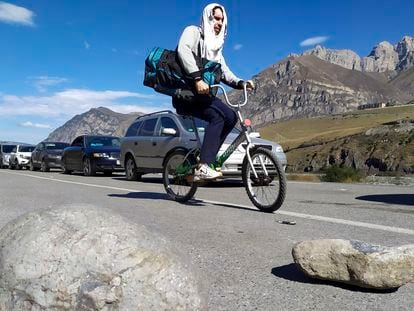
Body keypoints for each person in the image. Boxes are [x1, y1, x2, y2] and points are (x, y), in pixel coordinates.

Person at [173, 3, 254, 181]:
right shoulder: (194, 32)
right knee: (218, 117)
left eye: (222, 20)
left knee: (231, 117)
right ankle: (203, 165)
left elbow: (224, 71)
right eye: (216, 18)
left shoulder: (216, 49)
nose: (219, 23)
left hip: (204, 97)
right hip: (186, 95)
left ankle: (207, 160)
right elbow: (183, 50)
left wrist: (241, 83)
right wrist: (197, 79)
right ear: (207, 17)